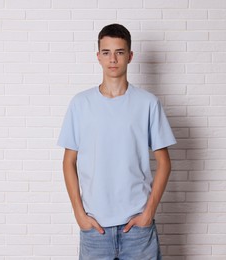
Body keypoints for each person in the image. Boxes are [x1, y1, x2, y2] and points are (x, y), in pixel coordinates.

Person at [57, 23, 177, 260]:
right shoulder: (81, 104)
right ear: (98, 57)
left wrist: (148, 212)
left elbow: (164, 163)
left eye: (119, 52)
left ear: (130, 56)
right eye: (106, 52)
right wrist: (79, 214)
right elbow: (68, 162)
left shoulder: (148, 103)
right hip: (95, 230)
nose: (113, 59)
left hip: (138, 230)